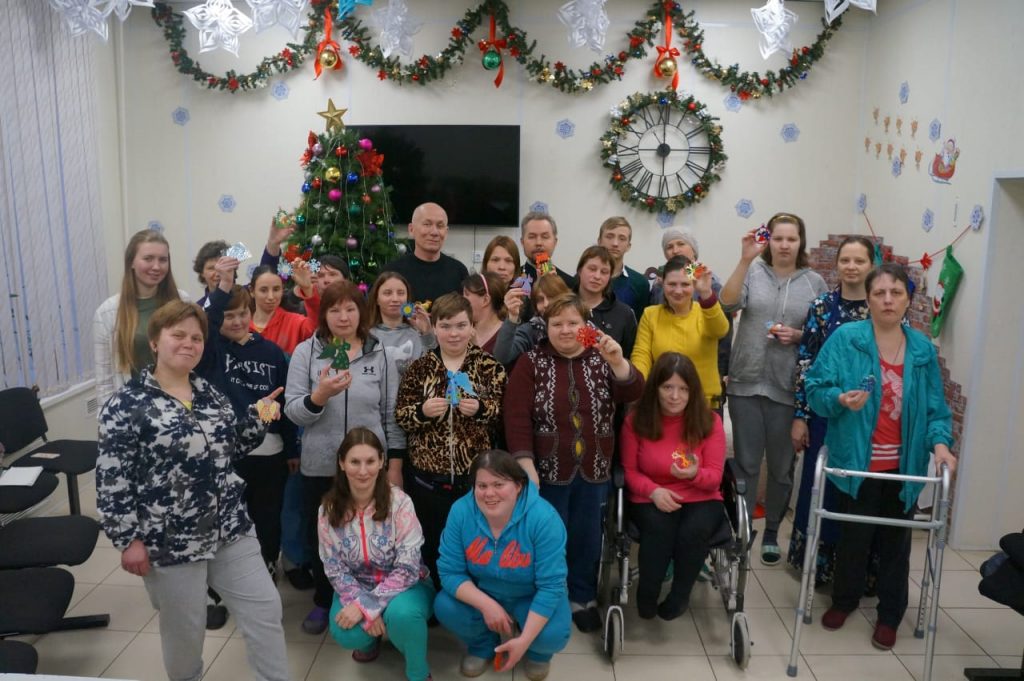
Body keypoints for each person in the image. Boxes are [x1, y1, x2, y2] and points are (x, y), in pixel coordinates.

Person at [96, 300, 289, 681]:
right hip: (172, 541)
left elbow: (232, 446)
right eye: (178, 335)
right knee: (185, 631)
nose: (189, 343)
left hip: (230, 529)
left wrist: (260, 414)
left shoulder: (209, 394)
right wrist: (127, 540)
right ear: (155, 341)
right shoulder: (126, 405)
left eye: (197, 338)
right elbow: (112, 479)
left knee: (265, 609)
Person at [806, 263, 956, 651]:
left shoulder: (922, 350)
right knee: (853, 539)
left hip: (903, 469)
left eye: (896, 293)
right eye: (879, 293)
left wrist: (941, 446)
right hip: (856, 462)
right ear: (868, 300)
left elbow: (936, 410)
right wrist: (840, 399)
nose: (888, 300)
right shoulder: (846, 339)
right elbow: (815, 389)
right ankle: (844, 601)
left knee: (896, 545)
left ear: (908, 300)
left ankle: (890, 615)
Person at [504, 294, 644, 632]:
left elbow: (634, 391)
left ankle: (582, 597)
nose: (565, 330)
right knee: (547, 539)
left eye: (573, 323)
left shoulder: (602, 357)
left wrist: (618, 362)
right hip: (546, 471)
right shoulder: (530, 362)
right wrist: (525, 463)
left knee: (587, 538)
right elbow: (516, 416)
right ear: (546, 327)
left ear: (586, 326)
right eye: (557, 324)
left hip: (594, 468)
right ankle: (548, 597)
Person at [285, 280, 406, 635]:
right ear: (323, 314)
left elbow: (390, 415)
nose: (343, 317)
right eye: (334, 309)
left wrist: (393, 465)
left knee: (371, 539)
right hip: (321, 466)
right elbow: (293, 410)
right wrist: (319, 396)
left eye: (350, 308)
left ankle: (372, 603)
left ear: (361, 312)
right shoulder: (306, 352)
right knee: (324, 541)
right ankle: (325, 601)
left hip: (369, 469)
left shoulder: (379, 352)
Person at [719, 213, 828, 565]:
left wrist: (797, 336)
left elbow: (822, 335)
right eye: (778, 238)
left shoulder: (815, 283)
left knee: (781, 468)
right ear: (769, 241)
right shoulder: (753, 271)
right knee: (748, 463)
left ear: (800, 242)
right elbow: (727, 304)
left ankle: (771, 532)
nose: (784, 245)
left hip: (787, 388)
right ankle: (744, 530)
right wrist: (744, 259)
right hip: (745, 384)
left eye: (791, 239)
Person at [395, 293, 507, 589]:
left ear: (472, 327)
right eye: (445, 326)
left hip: (474, 480)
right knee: (432, 543)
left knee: (475, 544)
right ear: (434, 327)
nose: (454, 333)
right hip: (428, 480)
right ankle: (435, 597)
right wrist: (422, 412)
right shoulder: (420, 368)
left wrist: (481, 409)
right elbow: (401, 416)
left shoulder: (489, 366)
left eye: (460, 325)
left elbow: (503, 414)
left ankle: (472, 598)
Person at [196, 256, 298, 579]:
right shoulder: (212, 351)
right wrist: (224, 286)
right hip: (228, 453)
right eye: (229, 316)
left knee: (268, 516)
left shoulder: (270, 352)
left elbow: (281, 400)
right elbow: (205, 319)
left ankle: (267, 564)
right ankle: (227, 578)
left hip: (270, 452)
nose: (238, 321)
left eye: (243, 313)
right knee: (230, 517)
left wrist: (291, 449)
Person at [435, 450, 570, 681]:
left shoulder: (544, 518)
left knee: (554, 634)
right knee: (445, 606)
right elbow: (450, 572)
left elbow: (551, 586)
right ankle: (483, 645)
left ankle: (537, 654)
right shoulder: (461, 511)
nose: (489, 493)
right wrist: (487, 605)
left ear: (518, 486)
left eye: (499, 484)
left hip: (530, 595)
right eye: (482, 486)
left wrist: (524, 641)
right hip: (485, 591)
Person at [786, 236, 875, 584]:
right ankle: (818, 567)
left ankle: (856, 571)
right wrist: (800, 416)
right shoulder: (822, 306)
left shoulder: (882, 306)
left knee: (862, 494)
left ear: (871, 265)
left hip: (868, 421)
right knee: (821, 487)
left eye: (859, 261)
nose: (851, 267)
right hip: (825, 414)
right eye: (845, 260)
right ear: (836, 264)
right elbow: (805, 363)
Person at [319, 428, 434, 681]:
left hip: (407, 587)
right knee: (344, 630)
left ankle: (418, 671)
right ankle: (370, 641)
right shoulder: (328, 509)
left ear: (382, 461)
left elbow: (408, 569)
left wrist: (365, 607)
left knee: (403, 615)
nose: (363, 471)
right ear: (342, 463)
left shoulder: (400, 503)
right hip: (357, 586)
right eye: (354, 462)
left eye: (370, 461)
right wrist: (362, 603)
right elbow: (334, 569)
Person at [621, 353, 727, 620]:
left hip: (701, 495)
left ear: (693, 391)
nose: (675, 396)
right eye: (667, 387)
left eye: (683, 389)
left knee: (694, 530)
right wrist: (653, 491)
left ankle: (680, 596)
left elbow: (714, 478)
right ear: (655, 388)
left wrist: (694, 474)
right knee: (659, 529)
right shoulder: (636, 421)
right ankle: (647, 593)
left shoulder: (710, 422)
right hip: (651, 494)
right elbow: (629, 472)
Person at [94, 229, 189, 409]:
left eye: (163, 259)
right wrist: (110, 417)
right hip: (135, 409)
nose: (156, 266)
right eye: (148, 258)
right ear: (131, 262)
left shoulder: (183, 301)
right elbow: (104, 380)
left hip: (179, 403)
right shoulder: (107, 313)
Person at [631, 256, 729, 408]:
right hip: (665, 403)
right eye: (672, 284)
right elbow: (641, 355)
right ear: (662, 283)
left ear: (693, 285)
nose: (678, 291)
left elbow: (720, 330)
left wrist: (706, 293)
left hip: (704, 403)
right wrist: (638, 384)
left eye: (685, 284)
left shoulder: (706, 311)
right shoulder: (650, 314)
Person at [651, 227, 734, 403]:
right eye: (669, 246)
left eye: (681, 244)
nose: (675, 250)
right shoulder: (658, 287)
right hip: (667, 381)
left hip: (704, 383)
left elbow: (724, 336)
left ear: (694, 250)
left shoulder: (712, 286)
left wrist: (721, 372)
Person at [383, 202, 469, 303]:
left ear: (446, 232)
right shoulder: (393, 271)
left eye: (440, 226)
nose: (434, 232)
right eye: (427, 224)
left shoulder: (459, 271)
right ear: (411, 229)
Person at [491, 274, 571, 368]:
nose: (546, 304)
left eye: (552, 297)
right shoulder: (530, 330)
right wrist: (512, 316)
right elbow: (501, 357)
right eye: (540, 300)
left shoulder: (579, 324)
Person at [367, 271, 435, 376]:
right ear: (377, 299)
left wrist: (427, 332)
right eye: (387, 293)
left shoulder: (416, 334)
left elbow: (431, 369)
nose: (395, 299)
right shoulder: (367, 336)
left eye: (401, 293)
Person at [574, 246, 637, 357]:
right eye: (592, 269)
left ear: (610, 277)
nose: (597, 276)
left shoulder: (624, 314)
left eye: (604, 272)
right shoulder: (561, 306)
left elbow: (628, 357)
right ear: (579, 270)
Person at [249, 260, 319, 357]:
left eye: (276, 289)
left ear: (283, 289)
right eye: (263, 290)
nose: (271, 296)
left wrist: (307, 289)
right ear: (252, 291)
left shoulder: (294, 322)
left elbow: (319, 328)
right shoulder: (240, 325)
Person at [597, 216, 650, 323]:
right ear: (599, 241)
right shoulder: (584, 276)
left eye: (622, 238)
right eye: (609, 236)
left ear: (628, 246)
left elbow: (639, 325)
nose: (615, 243)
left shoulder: (640, 283)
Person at [518, 212, 575, 289]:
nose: (538, 243)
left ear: (555, 242)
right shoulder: (511, 280)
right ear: (522, 242)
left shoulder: (570, 285)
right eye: (532, 237)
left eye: (545, 237)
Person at [462, 272, 506, 355]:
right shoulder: (462, 329)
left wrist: (474, 347)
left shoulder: (506, 335)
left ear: (485, 300)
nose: (462, 299)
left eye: (467, 294)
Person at [192, 239, 229, 309]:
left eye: (222, 266)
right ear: (202, 272)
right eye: (211, 268)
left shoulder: (247, 296)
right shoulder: (199, 309)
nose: (218, 274)